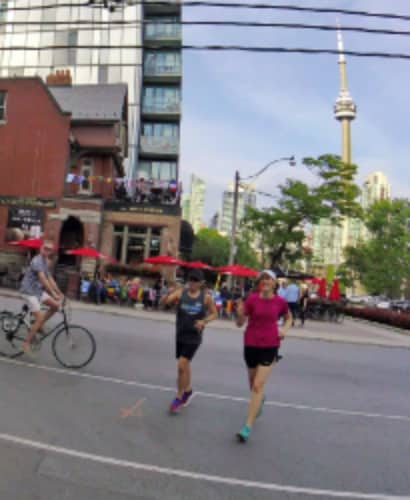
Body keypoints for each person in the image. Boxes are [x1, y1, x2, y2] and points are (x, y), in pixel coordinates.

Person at [235, 269, 292, 443]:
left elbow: (289, 318)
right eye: (263, 279)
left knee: (258, 386)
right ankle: (260, 401)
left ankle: (247, 426)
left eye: (269, 279)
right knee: (253, 385)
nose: (265, 281)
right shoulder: (252, 299)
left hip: (270, 345)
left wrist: (284, 330)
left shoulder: (280, 302)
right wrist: (239, 313)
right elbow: (239, 324)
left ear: (274, 283)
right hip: (251, 344)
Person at [161, 269, 218, 414]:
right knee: (185, 365)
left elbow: (214, 313)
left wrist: (204, 321)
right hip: (180, 335)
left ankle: (179, 397)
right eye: (190, 280)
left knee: (181, 365)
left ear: (201, 283)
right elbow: (164, 303)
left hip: (194, 337)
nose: (192, 283)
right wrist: (168, 293)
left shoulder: (206, 298)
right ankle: (188, 391)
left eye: (195, 280)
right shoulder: (181, 293)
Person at [19, 241, 63, 354]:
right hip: (28, 292)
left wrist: (60, 292)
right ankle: (26, 343)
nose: (47, 251)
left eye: (49, 249)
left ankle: (39, 326)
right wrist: (53, 294)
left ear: (51, 251)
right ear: (41, 248)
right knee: (39, 318)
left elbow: (50, 279)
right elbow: (43, 279)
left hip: (37, 291)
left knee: (56, 306)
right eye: (45, 248)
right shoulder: (37, 261)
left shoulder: (45, 262)